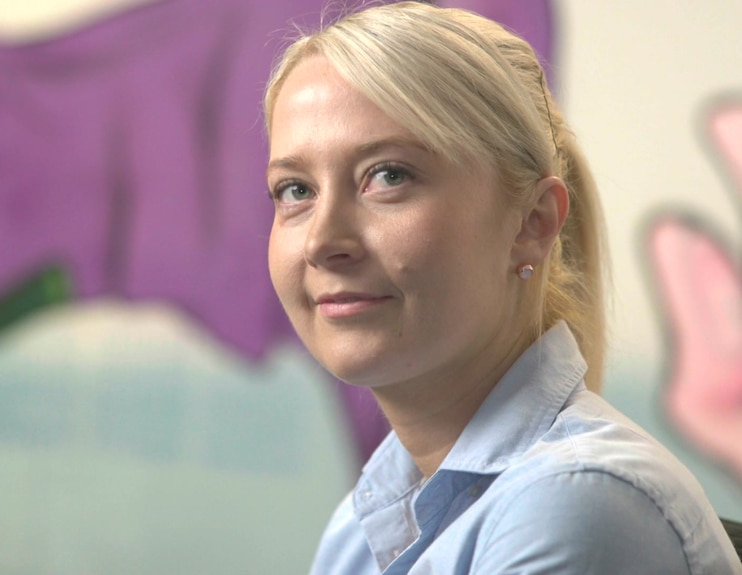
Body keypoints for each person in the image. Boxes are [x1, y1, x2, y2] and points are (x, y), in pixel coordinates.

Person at [262, 2, 742, 573]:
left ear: (532, 223)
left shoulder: (576, 501)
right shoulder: (361, 529)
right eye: (295, 190)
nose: (321, 241)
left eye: (388, 175)